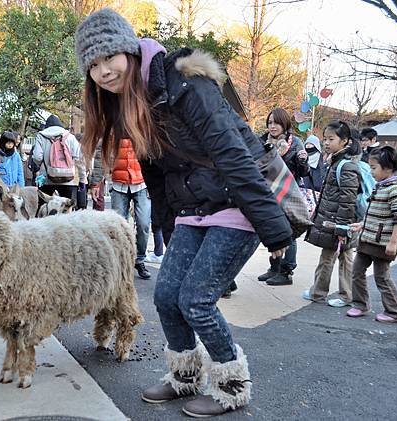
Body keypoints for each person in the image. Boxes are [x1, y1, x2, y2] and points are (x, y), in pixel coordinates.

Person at [74, 9, 292, 417]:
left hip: (236, 200)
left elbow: (231, 150)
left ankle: (231, 386)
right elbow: (155, 175)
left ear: (128, 50)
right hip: (193, 207)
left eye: (109, 58)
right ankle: (184, 377)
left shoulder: (182, 79)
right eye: (93, 65)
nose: (103, 71)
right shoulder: (126, 103)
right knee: (165, 295)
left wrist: (273, 230)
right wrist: (169, 227)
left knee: (196, 300)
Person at [347, 146, 397, 322]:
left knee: (382, 277)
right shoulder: (382, 186)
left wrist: (393, 242)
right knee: (357, 271)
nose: (371, 171)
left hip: (383, 243)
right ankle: (360, 304)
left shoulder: (396, 189)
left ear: (388, 168)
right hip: (368, 240)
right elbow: (378, 214)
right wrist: (361, 225)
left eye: (374, 168)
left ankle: (395, 311)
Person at [304, 121, 361, 308]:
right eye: (324, 139)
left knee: (328, 257)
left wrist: (342, 228)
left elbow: (347, 200)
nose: (326, 143)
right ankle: (346, 295)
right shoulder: (337, 162)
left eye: (331, 139)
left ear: (345, 141)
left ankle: (319, 293)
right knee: (345, 257)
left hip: (338, 223)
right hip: (340, 222)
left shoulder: (345, 166)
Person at [258, 108, 309, 286]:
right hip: (267, 192)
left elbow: (304, 172)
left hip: (287, 192)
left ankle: (286, 271)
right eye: (270, 122)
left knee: (288, 231)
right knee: (273, 229)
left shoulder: (295, 143)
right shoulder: (262, 141)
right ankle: (274, 267)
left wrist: (303, 161)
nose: (272, 126)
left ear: (284, 124)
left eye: (276, 122)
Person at [110, 138, 152, 279]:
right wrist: (96, 182)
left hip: (142, 183)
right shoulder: (113, 128)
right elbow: (101, 154)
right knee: (117, 227)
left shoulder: (143, 128)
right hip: (118, 184)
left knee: (144, 223)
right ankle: (120, 261)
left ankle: (139, 259)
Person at [31, 115, 87, 203]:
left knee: (44, 206)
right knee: (66, 208)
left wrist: (41, 165)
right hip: (68, 179)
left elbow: (37, 157)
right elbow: (79, 160)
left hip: (46, 179)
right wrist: (82, 179)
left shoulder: (41, 136)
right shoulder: (70, 137)